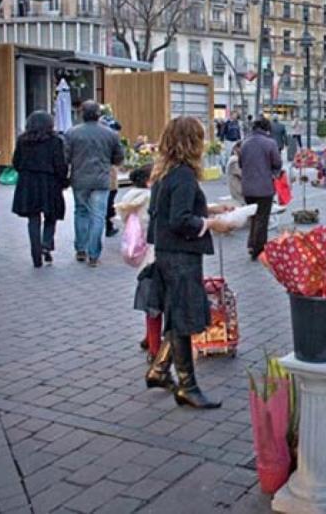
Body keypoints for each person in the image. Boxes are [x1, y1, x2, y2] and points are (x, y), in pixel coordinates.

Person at [145, 116, 234, 409]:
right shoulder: (183, 174)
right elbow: (180, 219)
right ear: (190, 142)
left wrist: (210, 208)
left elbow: (170, 209)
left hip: (167, 254)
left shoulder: (165, 172)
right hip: (181, 256)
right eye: (200, 138)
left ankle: (160, 370)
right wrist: (212, 224)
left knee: (176, 314)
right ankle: (187, 386)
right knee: (184, 318)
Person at [65, 101, 125, 267]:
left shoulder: (72, 133)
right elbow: (119, 157)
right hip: (101, 179)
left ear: (81, 114)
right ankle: (94, 254)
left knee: (81, 212)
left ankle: (81, 249)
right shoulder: (110, 134)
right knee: (98, 215)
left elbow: (66, 157)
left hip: (80, 179)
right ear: (99, 114)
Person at [11, 111, 68, 268]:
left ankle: (35, 254)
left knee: (33, 219)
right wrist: (63, 181)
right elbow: (60, 164)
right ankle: (46, 243)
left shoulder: (23, 140)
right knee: (51, 215)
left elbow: (16, 162)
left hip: (28, 184)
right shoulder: (55, 141)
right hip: (49, 183)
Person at [115, 164, 158, 359]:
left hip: (141, 255)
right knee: (157, 303)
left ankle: (149, 337)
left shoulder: (130, 199)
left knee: (150, 300)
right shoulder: (150, 199)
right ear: (150, 181)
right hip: (156, 252)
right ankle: (155, 347)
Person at [239, 116, 282, 260]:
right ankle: (258, 249)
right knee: (262, 219)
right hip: (264, 186)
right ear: (266, 128)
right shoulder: (270, 143)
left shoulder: (245, 143)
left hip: (247, 187)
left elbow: (240, 163)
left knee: (253, 217)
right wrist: (273, 173)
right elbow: (277, 162)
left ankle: (251, 244)